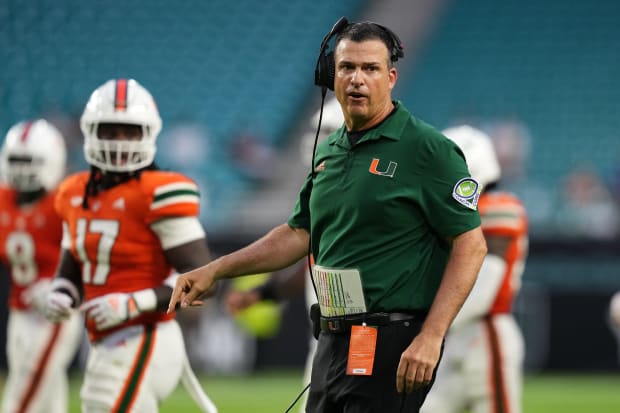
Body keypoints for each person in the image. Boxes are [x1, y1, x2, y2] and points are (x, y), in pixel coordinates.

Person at [168, 19, 487, 413]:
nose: (357, 79)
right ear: (330, 76)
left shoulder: (428, 150)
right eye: (346, 67)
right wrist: (215, 270)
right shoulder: (329, 150)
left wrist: (433, 335)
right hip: (332, 337)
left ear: (391, 78)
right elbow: (298, 233)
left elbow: (471, 245)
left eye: (370, 68)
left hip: (390, 339)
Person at [42, 78, 217, 413]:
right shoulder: (73, 192)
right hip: (103, 340)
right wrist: (61, 293)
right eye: (110, 131)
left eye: (130, 132)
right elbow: (71, 268)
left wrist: (134, 303)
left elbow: (205, 280)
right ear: (90, 132)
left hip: (147, 334)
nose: (120, 141)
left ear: (149, 134)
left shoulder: (159, 192)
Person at [225, 97, 344, 411]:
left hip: (358, 340)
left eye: (331, 132)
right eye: (320, 132)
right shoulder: (324, 196)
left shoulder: (367, 198)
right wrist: (265, 293)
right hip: (331, 339)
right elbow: (314, 265)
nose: (322, 141)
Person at [420, 125, 528, 413]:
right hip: (452, 335)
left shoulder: (498, 208)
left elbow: (483, 289)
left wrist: (429, 325)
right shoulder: (453, 214)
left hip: (484, 332)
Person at [0, 119, 83, 413]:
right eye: (16, 160)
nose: (22, 169)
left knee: (25, 391)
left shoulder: (64, 203)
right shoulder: (3, 199)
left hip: (54, 312)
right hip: (19, 310)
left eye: (29, 161)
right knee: (46, 396)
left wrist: (58, 285)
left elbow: (90, 259)